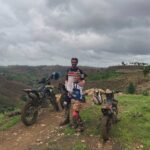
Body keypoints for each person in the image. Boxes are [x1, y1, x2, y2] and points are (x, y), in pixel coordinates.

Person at [59, 58, 86, 131]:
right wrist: (66, 87)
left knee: (75, 109)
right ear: (71, 62)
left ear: (77, 62)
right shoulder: (68, 70)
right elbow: (66, 79)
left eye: (75, 62)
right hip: (69, 91)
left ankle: (78, 123)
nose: (73, 63)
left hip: (76, 92)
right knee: (66, 105)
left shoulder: (80, 71)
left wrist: (81, 83)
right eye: (72, 62)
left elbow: (83, 80)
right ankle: (66, 119)